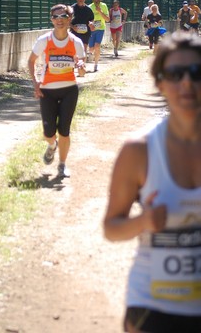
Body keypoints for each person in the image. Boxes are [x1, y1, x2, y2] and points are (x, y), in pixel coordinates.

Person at [103, 31, 201, 333]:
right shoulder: (139, 150)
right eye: (174, 73)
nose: (186, 81)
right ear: (160, 82)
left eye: (196, 71)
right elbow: (112, 228)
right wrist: (143, 222)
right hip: (154, 306)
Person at [27, 4, 85, 178]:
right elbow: (31, 61)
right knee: (48, 132)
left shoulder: (76, 42)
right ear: (51, 20)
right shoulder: (44, 40)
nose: (59, 20)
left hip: (69, 90)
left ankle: (62, 165)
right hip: (48, 91)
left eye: (63, 16)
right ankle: (52, 146)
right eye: (55, 17)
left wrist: (81, 66)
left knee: (64, 130)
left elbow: (82, 72)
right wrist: (36, 82)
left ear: (69, 19)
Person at [70, 0, 95, 68]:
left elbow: (92, 19)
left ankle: (82, 66)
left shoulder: (88, 9)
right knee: (74, 48)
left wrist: (91, 24)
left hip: (85, 32)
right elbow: (67, 20)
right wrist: (72, 27)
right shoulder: (72, 8)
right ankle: (74, 63)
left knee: (84, 48)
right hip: (75, 32)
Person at [88, 0, 110, 72]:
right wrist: (90, 25)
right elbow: (87, 20)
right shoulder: (89, 7)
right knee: (91, 48)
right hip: (92, 29)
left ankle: (96, 64)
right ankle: (90, 53)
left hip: (100, 28)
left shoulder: (104, 6)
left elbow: (107, 19)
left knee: (97, 46)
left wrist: (100, 12)